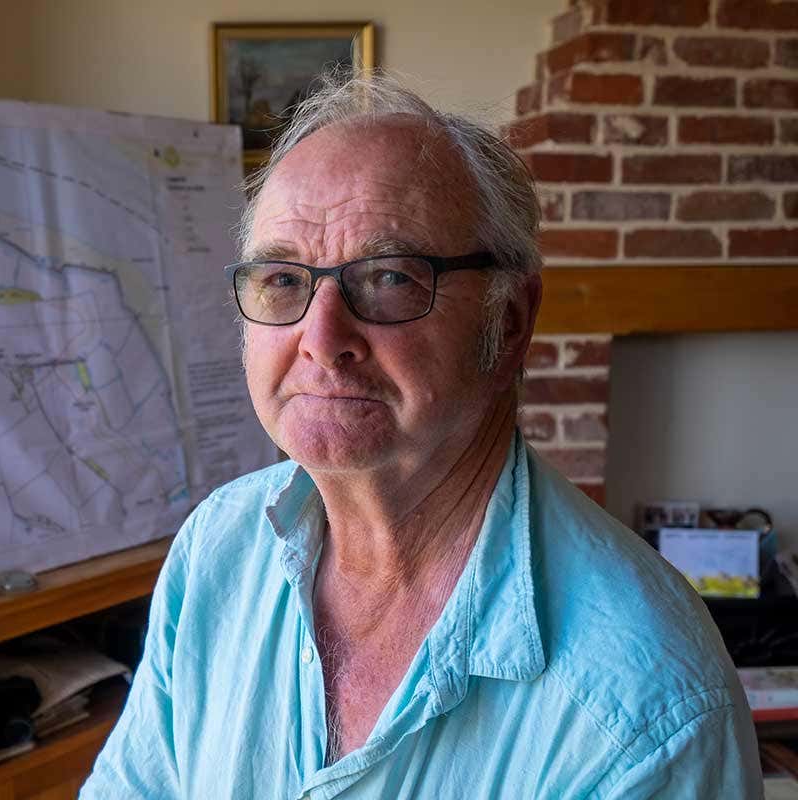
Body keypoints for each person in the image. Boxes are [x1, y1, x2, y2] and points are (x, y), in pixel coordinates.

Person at [80, 73, 761, 799]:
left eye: (390, 278)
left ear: (510, 321)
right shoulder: (217, 548)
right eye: (283, 280)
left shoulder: (647, 709)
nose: (321, 338)